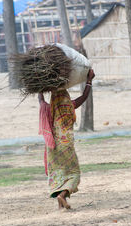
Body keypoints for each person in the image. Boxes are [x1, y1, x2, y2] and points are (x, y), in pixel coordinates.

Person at [38, 69, 95, 209]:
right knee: (73, 173)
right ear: (66, 96)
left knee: (58, 173)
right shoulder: (70, 105)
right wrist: (89, 81)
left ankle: (60, 204)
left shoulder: (48, 108)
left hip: (52, 147)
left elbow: (40, 100)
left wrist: (39, 85)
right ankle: (62, 196)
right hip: (66, 145)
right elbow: (84, 96)